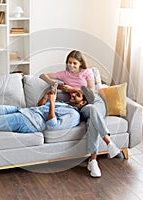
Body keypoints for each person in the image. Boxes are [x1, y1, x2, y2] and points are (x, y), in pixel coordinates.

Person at [40, 50, 120, 178]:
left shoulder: (87, 73)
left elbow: (91, 93)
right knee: (92, 112)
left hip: (95, 102)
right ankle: (109, 143)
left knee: (92, 119)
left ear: (80, 63)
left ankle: (93, 161)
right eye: (69, 63)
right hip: (82, 107)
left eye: (74, 63)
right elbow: (42, 75)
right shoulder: (65, 74)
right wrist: (55, 84)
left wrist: (73, 89)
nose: (71, 66)